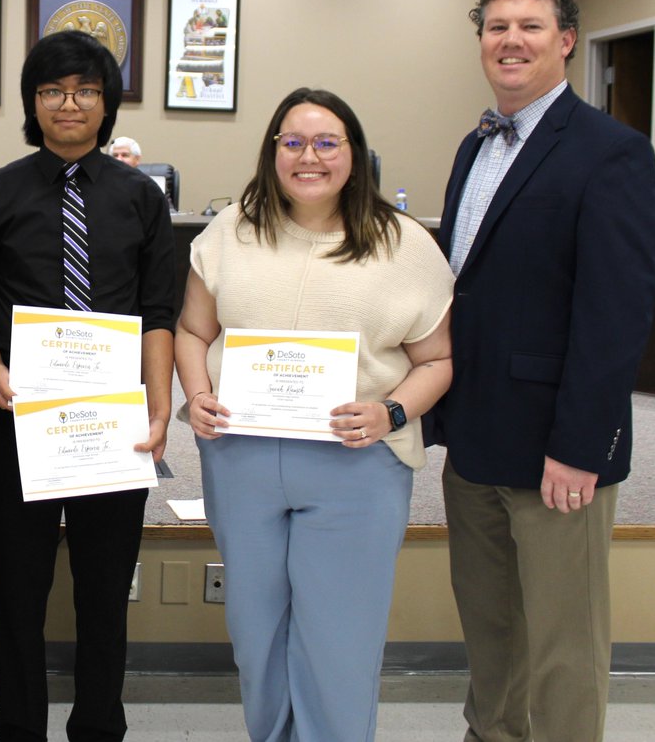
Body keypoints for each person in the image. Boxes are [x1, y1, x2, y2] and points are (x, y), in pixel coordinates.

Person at [175, 87, 454, 742]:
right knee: (256, 635)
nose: (310, 157)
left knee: (340, 642)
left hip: (355, 466)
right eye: (293, 142)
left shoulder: (403, 244)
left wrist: (391, 411)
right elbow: (191, 331)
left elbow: (437, 360)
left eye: (327, 142)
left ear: (354, 154)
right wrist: (197, 394)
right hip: (242, 462)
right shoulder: (231, 232)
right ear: (272, 151)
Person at [435, 0, 655, 742]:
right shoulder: (475, 146)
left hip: (558, 453)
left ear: (566, 42)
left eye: (530, 26)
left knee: (564, 643)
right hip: (475, 440)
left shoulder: (612, 153)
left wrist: (578, 447)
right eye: (496, 26)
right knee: (492, 629)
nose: (511, 41)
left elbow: (615, 319)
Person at [0, 30, 175, 742]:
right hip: (17, 420)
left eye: (86, 90)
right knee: (17, 589)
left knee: (102, 589)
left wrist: (160, 406)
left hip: (111, 425)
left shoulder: (141, 199)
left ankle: (98, 726)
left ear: (106, 102)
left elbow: (158, 313)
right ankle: (19, 726)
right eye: (54, 90)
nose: (70, 103)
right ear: (34, 100)